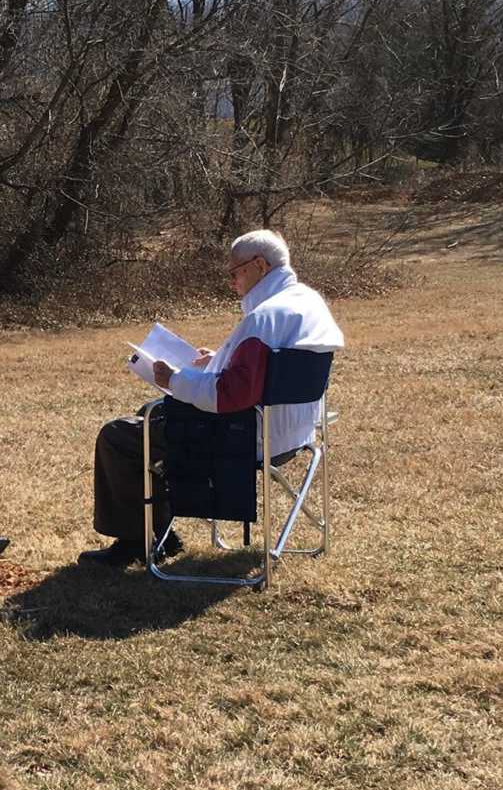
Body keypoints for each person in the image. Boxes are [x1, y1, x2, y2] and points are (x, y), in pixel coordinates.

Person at [79, 229, 345, 568]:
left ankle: (137, 539)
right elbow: (269, 367)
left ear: (260, 265)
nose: (231, 280)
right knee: (149, 416)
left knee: (119, 435)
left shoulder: (263, 318)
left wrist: (173, 379)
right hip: (294, 433)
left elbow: (229, 395)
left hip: (247, 435)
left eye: (234, 271)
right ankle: (157, 530)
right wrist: (220, 357)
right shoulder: (307, 303)